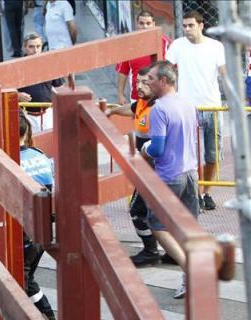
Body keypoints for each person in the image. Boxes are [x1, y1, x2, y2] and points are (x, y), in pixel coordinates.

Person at [141, 61, 199, 300]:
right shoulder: (187, 103)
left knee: (157, 225)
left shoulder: (160, 109)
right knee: (187, 228)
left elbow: (157, 148)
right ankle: (189, 278)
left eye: (151, 79)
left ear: (164, 81)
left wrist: (144, 149)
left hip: (169, 175)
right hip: (190, 173)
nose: (148, 82)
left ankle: (189, 269)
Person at [166, 11, 226, 211]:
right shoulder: (177, 45)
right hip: (188, 109)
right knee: (190, 156)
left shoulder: (216, 47)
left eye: (191, 25)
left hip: (213, 107)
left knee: (212, 155)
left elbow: (225, 75)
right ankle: (194, 195)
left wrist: (233, 99)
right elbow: (167, 71)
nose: (187, 30)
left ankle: (205, 192)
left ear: (201, 25)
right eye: (184, 26)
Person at [106, 67, 163, 266]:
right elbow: (130, 107)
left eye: (145, 83)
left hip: (153, 166)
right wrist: (112, 110)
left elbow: (159, 145)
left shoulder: (158, 109)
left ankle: (150, 250)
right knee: (157, 210)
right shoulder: (141, 103)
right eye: (137, 82)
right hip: (146, 164)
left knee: (137, 210)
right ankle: (167, 251)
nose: (139, 86)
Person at [17, 113, 55, 320]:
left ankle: (47, 314)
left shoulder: (11, 161)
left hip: (25, 231)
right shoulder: (40, 155)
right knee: (27, 277)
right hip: (43, 228)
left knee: (22, 280)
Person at [115, 11, 170, 106]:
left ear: (153, 24)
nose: (145, 26)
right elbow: (123, 71)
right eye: (141, 23)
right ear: (137, 24)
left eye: (148, 23)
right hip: (137, 98)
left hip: (160, 98)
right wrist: (120, 94)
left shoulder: (166, 43)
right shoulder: (128, 44)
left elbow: (173, 71)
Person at [17, 33, 64, 132]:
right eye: (31, 47)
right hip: (26, 115)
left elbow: (60, 87)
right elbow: (4, 90)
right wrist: (17, 95)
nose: (35, 50)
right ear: (24, 48)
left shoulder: (49, 64)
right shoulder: (17, 67)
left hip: (47, 113)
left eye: (38, 46)